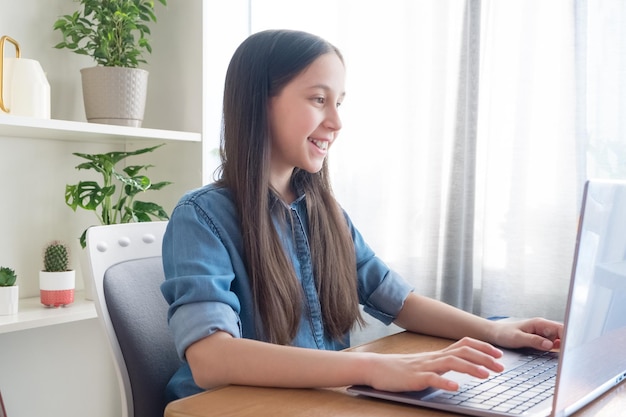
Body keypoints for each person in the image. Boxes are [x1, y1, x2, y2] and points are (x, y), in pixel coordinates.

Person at [160, 29, 563, 402]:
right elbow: (211, 359)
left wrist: (496, 331)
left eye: (339, 102)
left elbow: (398, 300)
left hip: (314, 402)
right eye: (319, 100)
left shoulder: (325, 213)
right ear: (258, 101)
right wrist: (372, 367)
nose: (336, 122)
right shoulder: (200, 218)